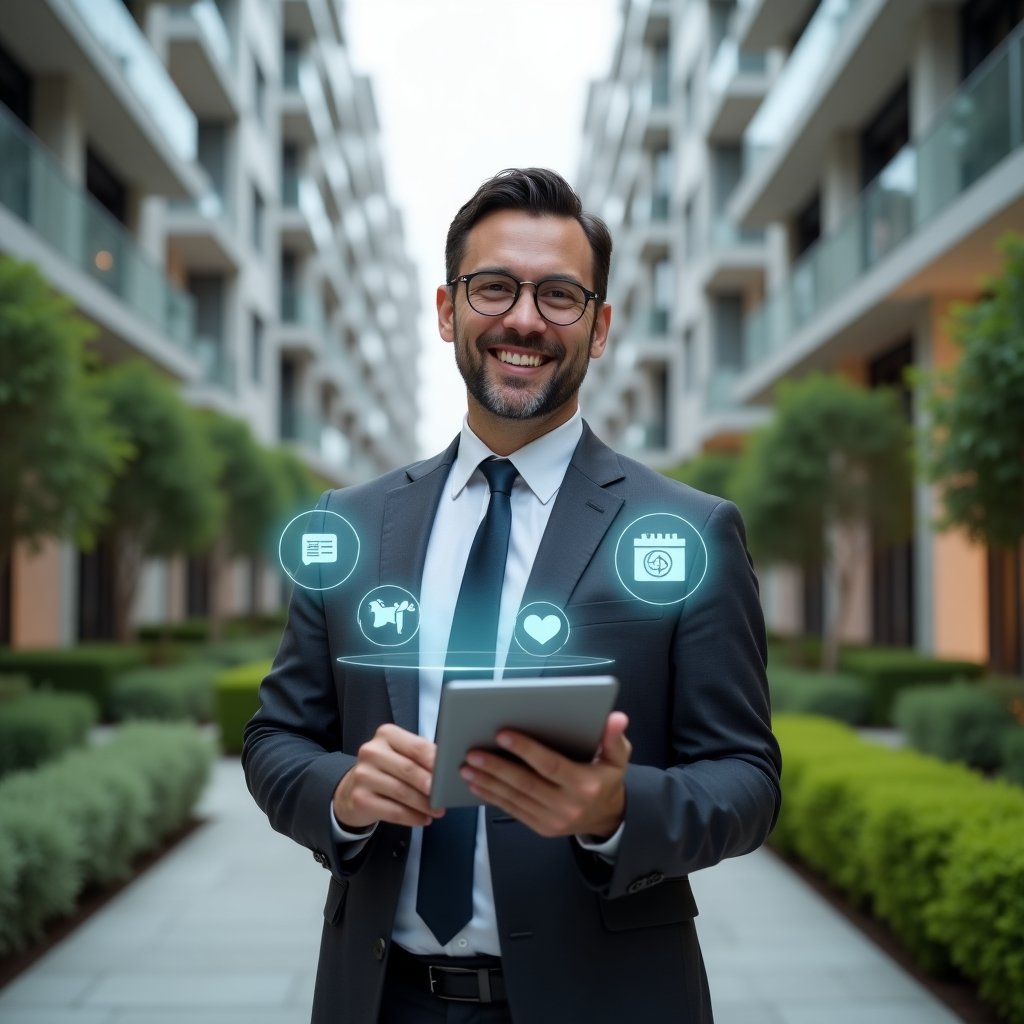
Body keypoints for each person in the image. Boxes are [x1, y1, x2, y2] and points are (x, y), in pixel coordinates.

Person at [243, 167, 781, 1024]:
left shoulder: (689, 529)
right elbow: (275, 738)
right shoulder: (348, 522)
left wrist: (614, 810)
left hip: (606, 1000)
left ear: (599, 328)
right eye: (494, 287)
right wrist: (342, 797)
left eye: (560, 295)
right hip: (380, 998)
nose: (524, 319)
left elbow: (748, 779)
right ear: (447, 310)